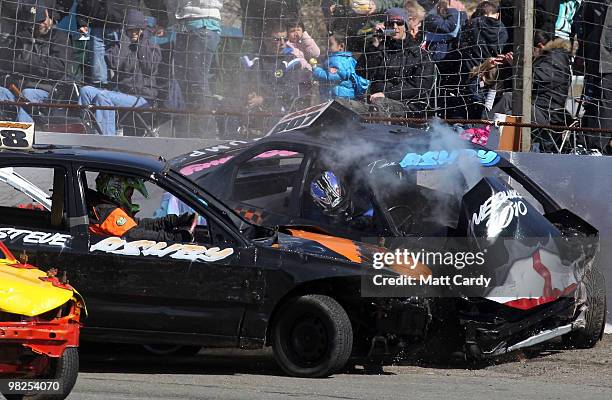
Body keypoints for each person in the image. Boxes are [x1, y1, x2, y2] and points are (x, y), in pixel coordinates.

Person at [78, 9, 162, 136]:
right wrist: (125, 41)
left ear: (142, 29)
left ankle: (106, 141)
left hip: (143, 98)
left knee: (103, 97)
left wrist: (141, 42)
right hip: (121, 93)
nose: (133, 33)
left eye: (136, 29)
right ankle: (87, 132)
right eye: (130, 30)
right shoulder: (120, 45)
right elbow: (115, 63)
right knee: (86, 91)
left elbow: (148, 67)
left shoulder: (152, 47)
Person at [0, 3, 74, 122]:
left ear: (47, 15)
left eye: (41, 20)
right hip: (17, 88)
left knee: (28, 94)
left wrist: (28, 61)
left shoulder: (61, 38)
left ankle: (28, 138)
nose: (40, 25)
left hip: (46, 90)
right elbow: (9, 62)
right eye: (34, 23)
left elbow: (58, 69)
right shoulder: (21, 37)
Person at [356, 7, 434, 116]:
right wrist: (375, 45)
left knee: (379, 105)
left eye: (399, 23)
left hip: (407, 106)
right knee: (341, 106)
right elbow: (362, 72)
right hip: (374, 102)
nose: (395, 27)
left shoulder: (420, 55)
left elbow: (420, 86)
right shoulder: (381, 49)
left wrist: (386, 94)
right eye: (391, 24)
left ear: (406, 26)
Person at [88, 173, 195, 242]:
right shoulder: (107, 211)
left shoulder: (103, 204)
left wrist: (172, 221)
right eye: (129, 194)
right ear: (116, 190)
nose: (130, 198)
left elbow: (135, 224)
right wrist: (174, 238)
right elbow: (135, 235)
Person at [76, 0, 140, 85]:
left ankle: (121, 93)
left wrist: (132, 19)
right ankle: (101, 92)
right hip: (97, 26)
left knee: (125, 71)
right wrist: (81, 20)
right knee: (98, 76)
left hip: (123, 26)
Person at [307, 170, 375, 231]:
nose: (333, 197)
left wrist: (366, 219)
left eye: (337, 190)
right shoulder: (318, 221)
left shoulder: (359, 197)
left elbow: (372, 208)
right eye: (326, 198)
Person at [312, 31, 370, 100]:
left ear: (341, 46)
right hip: (344, 96)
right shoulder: (346, 59)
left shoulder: (338, 60)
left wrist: (316, 70)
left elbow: (334, 76)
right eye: (326, 44)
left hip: (340, 97)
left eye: (330, 44)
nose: (327, 47)